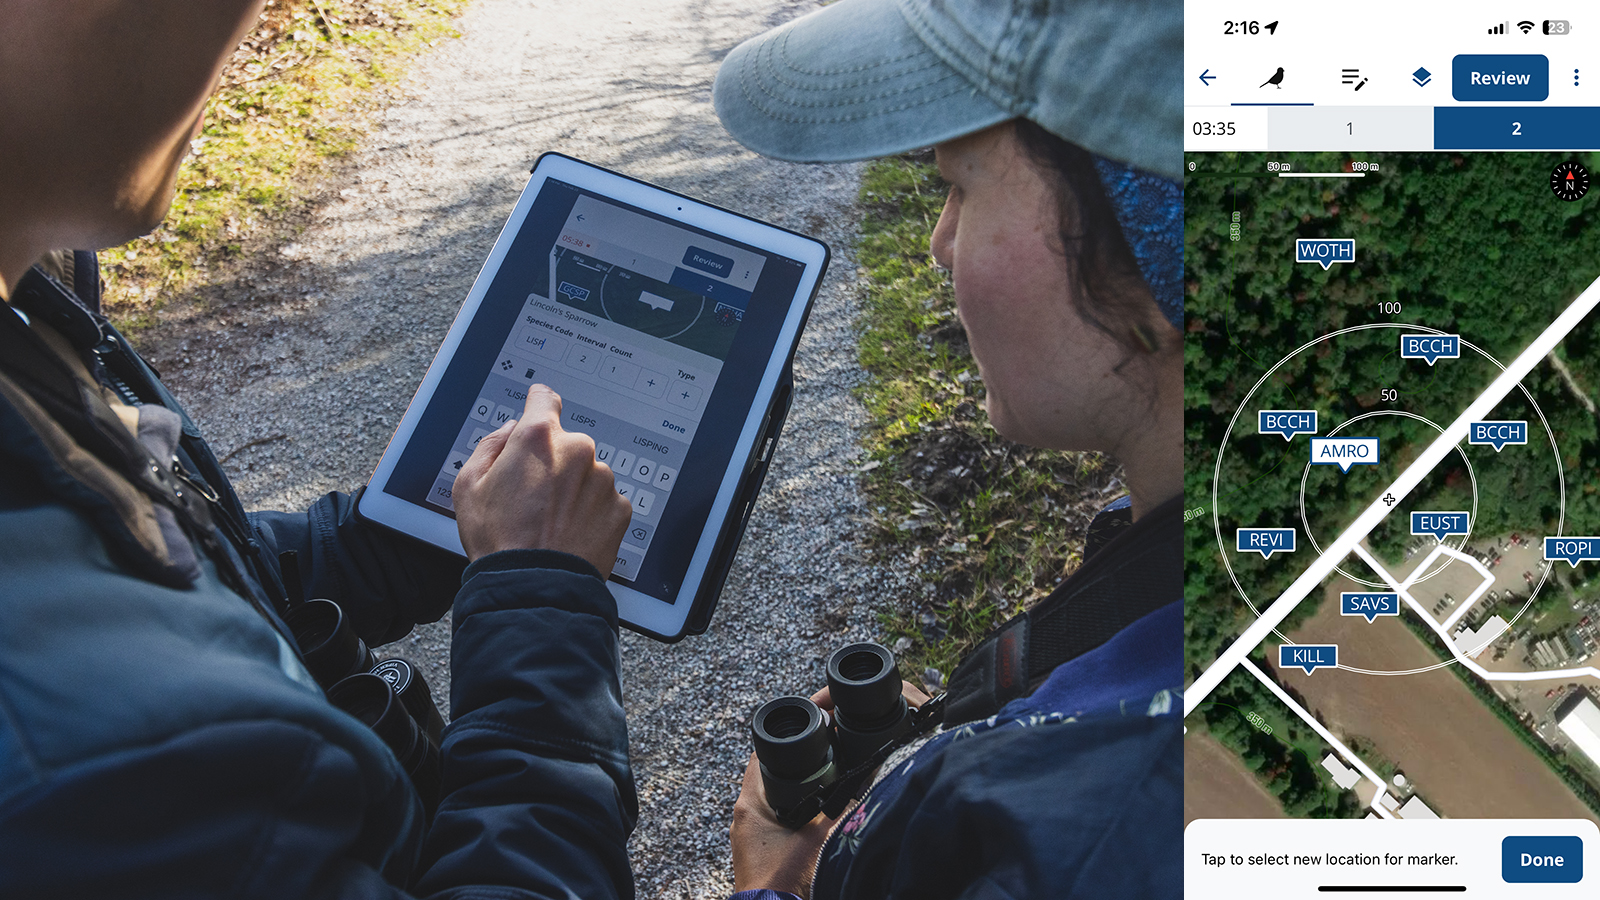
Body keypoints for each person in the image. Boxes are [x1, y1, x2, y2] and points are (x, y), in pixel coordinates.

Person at [0, 2, 640, 896]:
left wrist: (411, 528)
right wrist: (540, 607)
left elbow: (158, 567)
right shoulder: (99, 763)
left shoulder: (26, 322)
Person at [710, 0, 1183, 897]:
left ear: (1158, 260)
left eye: (961, 185)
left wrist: (774, 887)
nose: (938, 245)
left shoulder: (1090, 837)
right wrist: (971, 735)